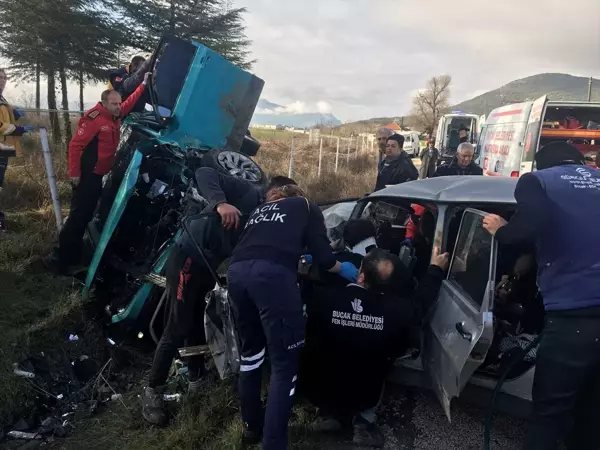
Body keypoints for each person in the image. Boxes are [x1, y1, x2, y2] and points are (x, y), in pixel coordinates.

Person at [141, 168, 298, 426]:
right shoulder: (247, 191)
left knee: (197, 322)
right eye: (281, 199)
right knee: (177, 326)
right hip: (188, 259)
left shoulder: (264, 217)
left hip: (208, 267)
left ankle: (196, 378)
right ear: (272, 191)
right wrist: (221, 203)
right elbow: (204, 173)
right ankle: (152, 392)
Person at [482, 142, 600, 450]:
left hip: (574, 319)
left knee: (550, 413)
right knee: (592, 414)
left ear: (540, 164)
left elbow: (528, 228)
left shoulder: (539, 181)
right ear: (580, 162)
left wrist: (501, 230)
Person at [226, 183, 360, 450]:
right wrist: (341, 267)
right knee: (284, 365)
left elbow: (266, 242)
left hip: (237, 274)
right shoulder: (307, 206)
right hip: (272, 279)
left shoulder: (260, 210)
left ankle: (251, 427)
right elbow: (323, 258)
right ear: (300, 195)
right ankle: (273, 444)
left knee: (251, 356)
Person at [301, 247, 449, 448]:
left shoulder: (323, 299)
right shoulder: (395, 311)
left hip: (319, 388)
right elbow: (420, 304)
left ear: (360, 276)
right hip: (364, 393)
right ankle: (364, 424)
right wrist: (434, 270)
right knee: (377, 360)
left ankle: (328, 414)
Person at [44, 73, 151, 274]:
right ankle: (59, 258)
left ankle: (74, 254)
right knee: (78, 215)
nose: (118, 106)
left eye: (118, 103)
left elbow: (128, 104)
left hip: (98, 176)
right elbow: (75, 146)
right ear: (104, 103)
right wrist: (74, 173)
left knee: (86, 215)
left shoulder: (114, 115)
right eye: (114, 103)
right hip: (87, 176)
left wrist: (143, 85)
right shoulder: (93, 118)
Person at [0, 68, 30, 232]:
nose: (3, 80)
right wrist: (17, 129)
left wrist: (13, 113)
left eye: (4, 77)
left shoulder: (2, 98)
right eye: (0, 77)